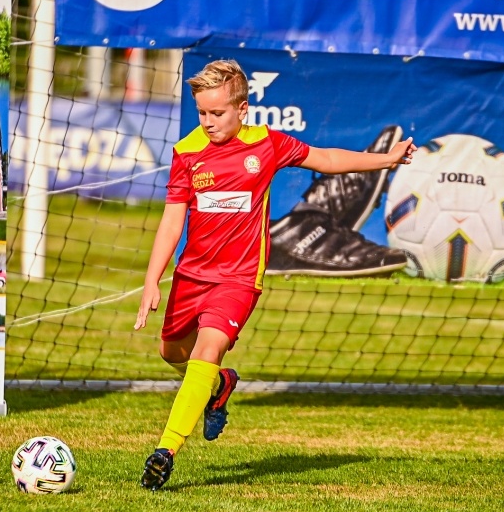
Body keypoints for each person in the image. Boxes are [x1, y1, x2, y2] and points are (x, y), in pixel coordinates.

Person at [133, 59, 416, 489]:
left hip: (239, 278)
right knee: (173, 353)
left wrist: (386, 161)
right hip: (192, 275)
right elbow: (173, 220)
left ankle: (165, 452)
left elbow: (325, 158)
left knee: (207, 352)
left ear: (242, 109)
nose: (208, 122)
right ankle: (219, 387)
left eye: (217, 113)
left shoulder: (266, 144)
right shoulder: (186, 153)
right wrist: (153, 279)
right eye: (202, 113)